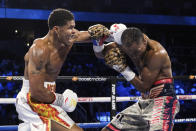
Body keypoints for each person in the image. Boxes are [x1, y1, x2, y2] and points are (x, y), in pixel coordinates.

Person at [15, 8, 108, 131]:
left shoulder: (69, 39)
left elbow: (95, 35)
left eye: (74, 27)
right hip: (32, 101)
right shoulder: (39, 49)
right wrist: (62, 100)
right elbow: (36, 92)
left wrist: (115, 34)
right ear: (56, 29)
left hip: (47, 98)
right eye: (70, 28)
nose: (74, 31)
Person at [91, 25, 180, 131]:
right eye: (130, 53)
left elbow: (144, 87)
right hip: (143, 102)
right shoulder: (127, 43)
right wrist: (97, 42)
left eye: (137, 52)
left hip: (163, 101)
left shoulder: (156, 54)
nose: (134, 56)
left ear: (144, 41)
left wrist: (123, 69)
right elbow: (101, 54)